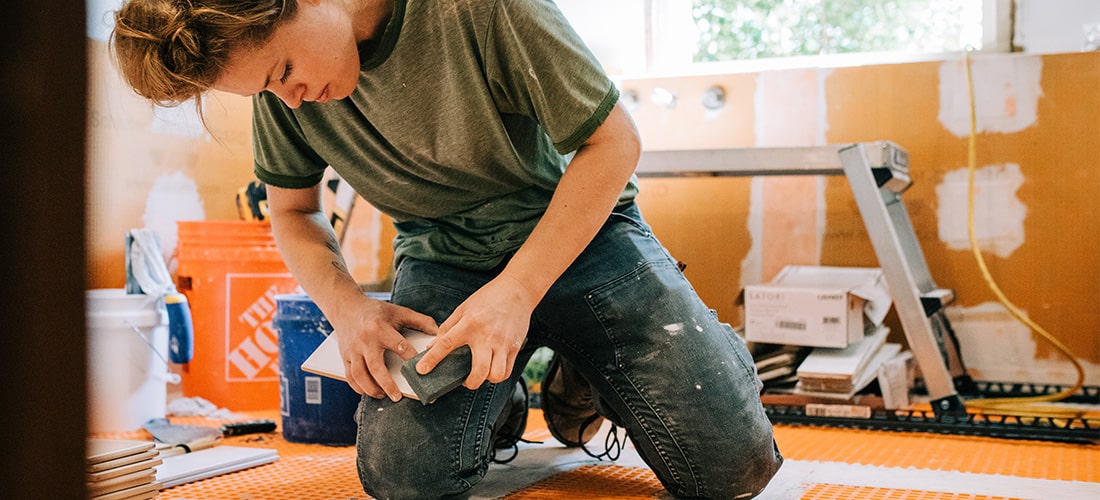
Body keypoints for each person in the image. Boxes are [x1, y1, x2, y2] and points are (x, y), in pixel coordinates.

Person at [111, 0, 783, 498]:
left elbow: (616, 143)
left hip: (583, 236)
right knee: (402, 481)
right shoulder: (284, 97)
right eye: (266, 88)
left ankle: (590, 364)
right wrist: (349, 309)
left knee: (732, 470)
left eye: (284, 68)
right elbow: (292, 209)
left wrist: (518, 292)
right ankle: (506, 396)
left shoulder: (481, 9)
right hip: (447, 259)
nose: (290, 96)